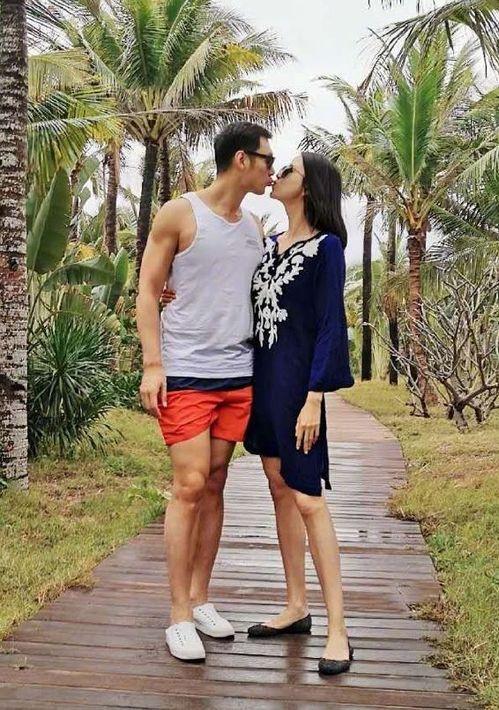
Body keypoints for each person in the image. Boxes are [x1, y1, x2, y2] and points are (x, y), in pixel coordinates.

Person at [136, 122, 274, 662]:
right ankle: (177, 616)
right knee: (190, 484)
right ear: (242, 160)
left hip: (237, 374)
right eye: (267, 160)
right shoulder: (180, 213)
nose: (271, 170)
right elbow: (148, 289)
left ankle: (199, 599)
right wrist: (153, 364)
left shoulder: (255, 226)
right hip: (187, 371)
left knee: (215, 483)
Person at [243, 152, 355, 675]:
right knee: (279, 488)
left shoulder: (326, 248)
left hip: (298, 393)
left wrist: (315, 398)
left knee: (308, 499)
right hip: (264, 386)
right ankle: (296, 605)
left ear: (307, 189)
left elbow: (332, 325)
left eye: (287, 170)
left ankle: (339, 631)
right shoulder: (268, 245)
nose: (277, 175)